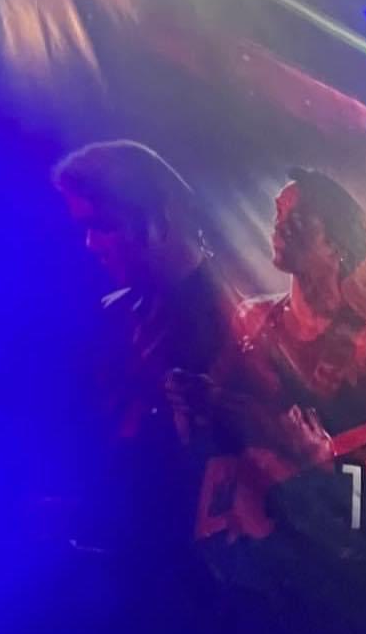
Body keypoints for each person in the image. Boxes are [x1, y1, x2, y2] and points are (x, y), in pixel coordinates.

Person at [52, 139, 239, 553]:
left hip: (181, 564)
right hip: (108, 550)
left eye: (103, 224)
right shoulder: (112, 313)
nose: (91, 243)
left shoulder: (238, 323)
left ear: (162, 214)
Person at [236, 166, 366, 457]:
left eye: (298, 220)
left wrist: (327, 453)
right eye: (279, 213)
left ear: (336, 247)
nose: (279, 227)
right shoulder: (251, 317)